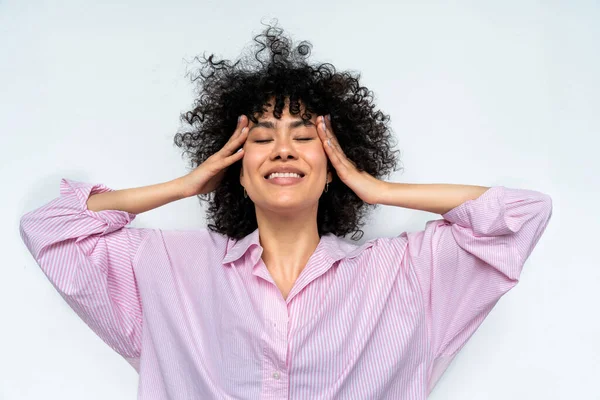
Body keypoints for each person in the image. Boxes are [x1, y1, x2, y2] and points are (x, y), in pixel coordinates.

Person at [19, 23, 553, 399]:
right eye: (260, 137)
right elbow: (51, 228)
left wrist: (376, 190)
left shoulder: (406, 274)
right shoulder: (168, 269)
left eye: (304, 136)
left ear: (335, 162)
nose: (283, 149)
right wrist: (184, 187)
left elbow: (521, 216)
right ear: (234, 162)